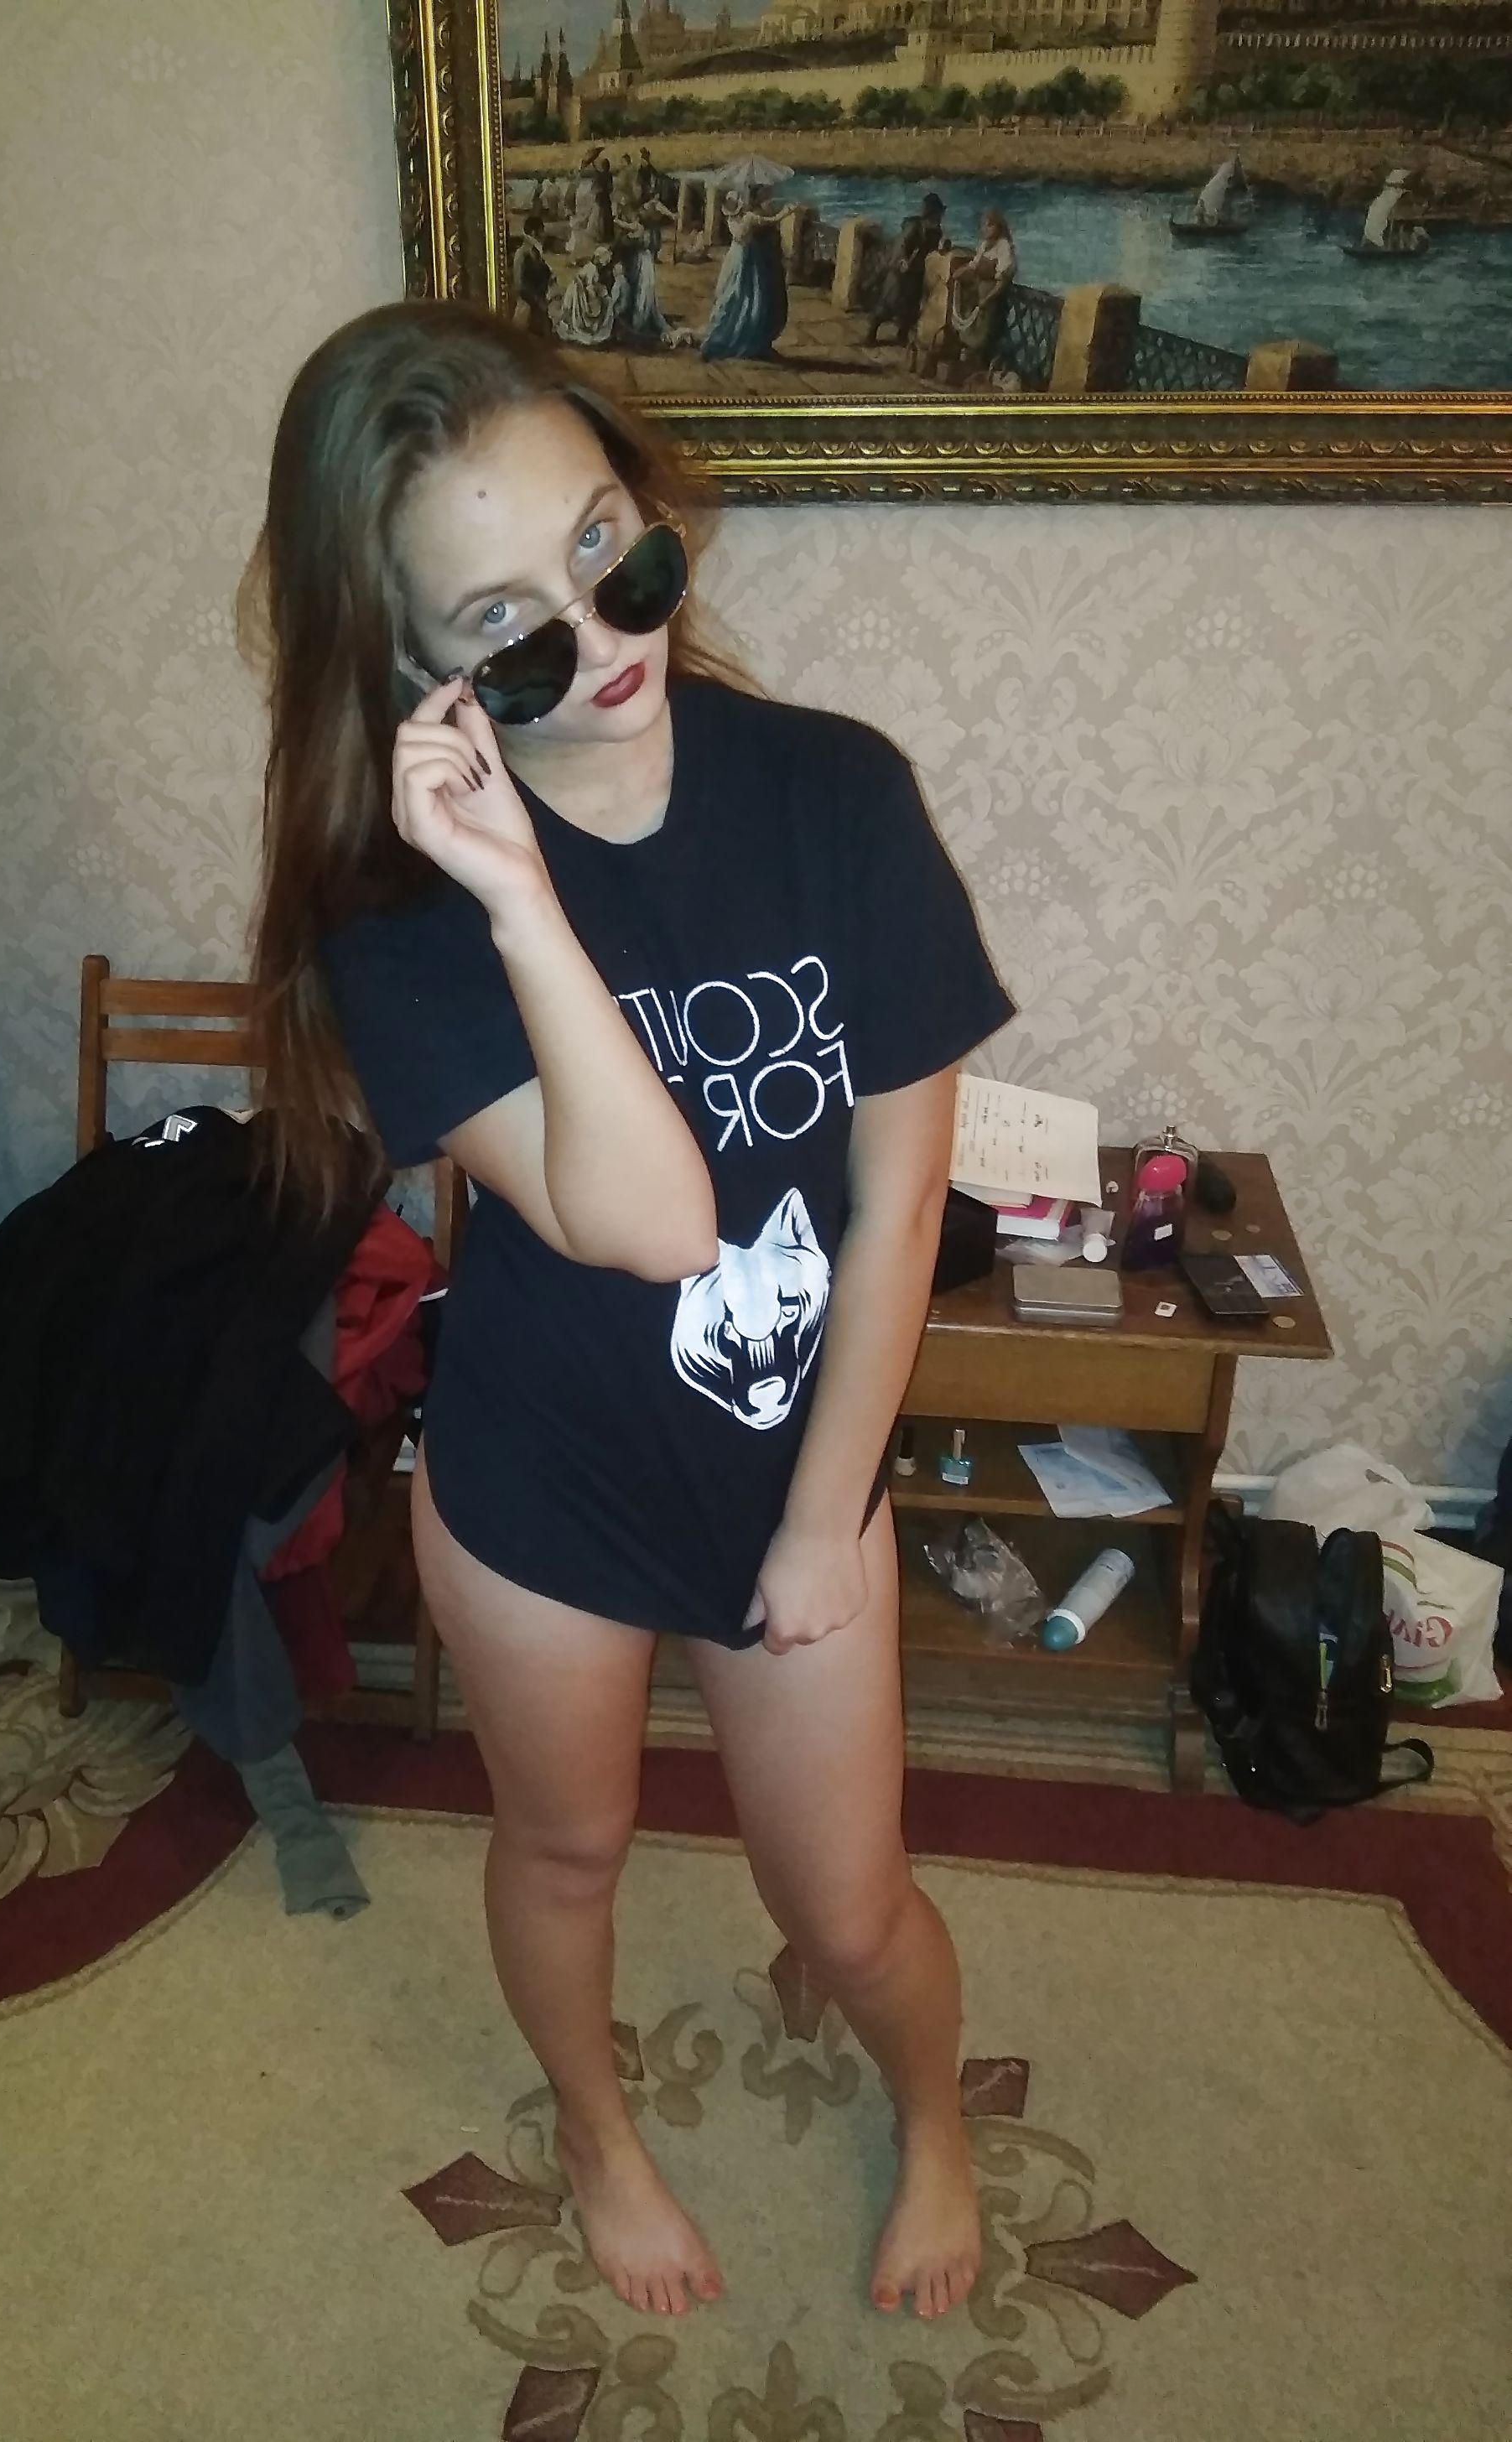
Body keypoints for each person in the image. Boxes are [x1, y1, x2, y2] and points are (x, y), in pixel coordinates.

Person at [243, 299, 1015, 2323]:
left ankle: (934, 2120)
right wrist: (518, 894)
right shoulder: (405, 918)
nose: (598, 641)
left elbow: (899, 1201)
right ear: (414, 677)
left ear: (647, 498)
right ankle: (598, 2139)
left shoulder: (837, 795)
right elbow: (658, 1221)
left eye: (609, 550)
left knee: (848, 1911)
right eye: (505, 629)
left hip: (793, 1466)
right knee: (564, 1849)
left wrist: (826, 1518)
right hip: (544, 1481)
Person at [701, 185, 788, 361]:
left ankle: (732, 332)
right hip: (748, 257)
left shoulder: (731, 219)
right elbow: (771, 220)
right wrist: (787, 211)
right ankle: (747, 338)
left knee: (734, 293)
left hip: (734, 255)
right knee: (750, 295)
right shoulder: (749, 217)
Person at [865, 191, 945, 351]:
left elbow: (933, 251)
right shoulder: (914, 226)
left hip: (916, 274)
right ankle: (871, 334)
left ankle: (902, 335)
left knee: (910, 308)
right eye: (937, 214)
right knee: (888, 304)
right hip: (900, 273)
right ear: (931, 213)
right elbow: (902, 244)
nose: (939, 218)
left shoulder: (937, 232)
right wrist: (902, 260)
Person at [950, 210, 1016, 377]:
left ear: (998, 227)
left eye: (989, 225)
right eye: (983, 225)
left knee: (984, 337)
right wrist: (960, 272)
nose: (984, 229)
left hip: (994, 300)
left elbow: (1003, 281)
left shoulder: (1004, 247)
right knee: (969, 330)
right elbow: (974, 265)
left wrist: (988, 298)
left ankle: (982, 369)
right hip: (979, 296)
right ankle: (971, 366)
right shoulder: (985, 245)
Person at [552, 243, 625, 348]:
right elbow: (590, 288)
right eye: (604, 260)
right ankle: (594, 329)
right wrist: (598, 296)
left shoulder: (591, 267)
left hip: (581, 291)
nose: (605, 263)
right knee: (606, 303)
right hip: (582, 295)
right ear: (598, 259)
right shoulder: (592, 269)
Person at [512, 211, 557, 340]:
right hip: (528, 308)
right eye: (542, 231)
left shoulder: (535, 251)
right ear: (533, 233)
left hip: (538, 305)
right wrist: (538, 300)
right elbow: (520, 284)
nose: (544, 234)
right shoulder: (523, 253)